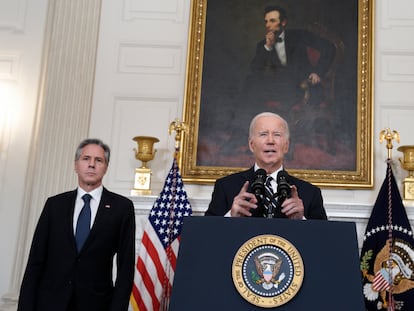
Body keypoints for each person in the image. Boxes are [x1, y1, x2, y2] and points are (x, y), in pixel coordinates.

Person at [18, 138, 136, 311]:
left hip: (96, 304)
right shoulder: (54, 205)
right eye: (86, 158)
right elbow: (35, 261)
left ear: (106, 168)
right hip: (50, 303)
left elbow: (125, 268)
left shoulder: (121, 208)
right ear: (76, 165)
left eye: (99, 160)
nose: (91, 165)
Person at [205, 112, 327, 220]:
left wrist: (302, 221)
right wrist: (230, 217)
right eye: (263, 134)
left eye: (277, 134)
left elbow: (324, 241)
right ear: (251, 145)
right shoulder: (225, 187)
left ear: (286, 146)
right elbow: (205, 238)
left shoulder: (310, 193)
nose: (270, 141)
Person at [243, 5, 335, 117]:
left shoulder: (299, 35)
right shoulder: (263, 45)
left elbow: (329, 47)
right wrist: (268, 47)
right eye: (266, 21)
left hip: (303, 85)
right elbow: (255, 69)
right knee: (250, 83)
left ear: (283, 22)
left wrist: (318, 72)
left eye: (272, 21)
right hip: (277, 88)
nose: (268, 25)